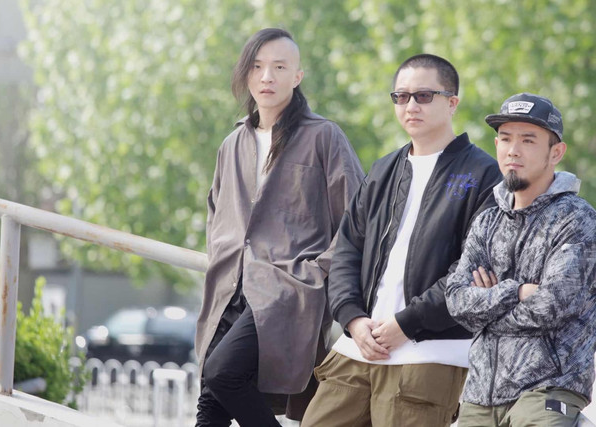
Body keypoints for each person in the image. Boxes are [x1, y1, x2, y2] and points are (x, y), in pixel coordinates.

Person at [301, 54, 502, 427]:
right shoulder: (383, 170)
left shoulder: (484, 174)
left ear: (452, 102)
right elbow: (347, 250)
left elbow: (472, 271)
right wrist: (352, 318)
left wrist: (406, 324)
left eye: (424, 96)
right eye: (401, 96)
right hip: (358, 347)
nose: (411, 105)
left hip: (429, 354)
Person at [194, 28, 364, 426]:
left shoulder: (323, 136)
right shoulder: (233, 143)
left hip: (286, 289)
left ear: (297, 76)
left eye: (279, 67)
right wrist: (221, 255)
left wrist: (317, 271)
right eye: (257, 67)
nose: (266, 77)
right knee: (209, 405)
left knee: (223, 373)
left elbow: (357, 217)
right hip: (227, 287)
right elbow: (217, 213)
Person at [445, 93, 596, 426]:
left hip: (549, 388)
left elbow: (552, 306)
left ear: (556, 153)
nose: (513, 150)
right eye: (505, 139)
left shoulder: (577, 220)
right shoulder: (487, 222)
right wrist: (517, 292)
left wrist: (487, 307)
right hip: (480, 393)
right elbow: (456, 302)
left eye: (528, 140)